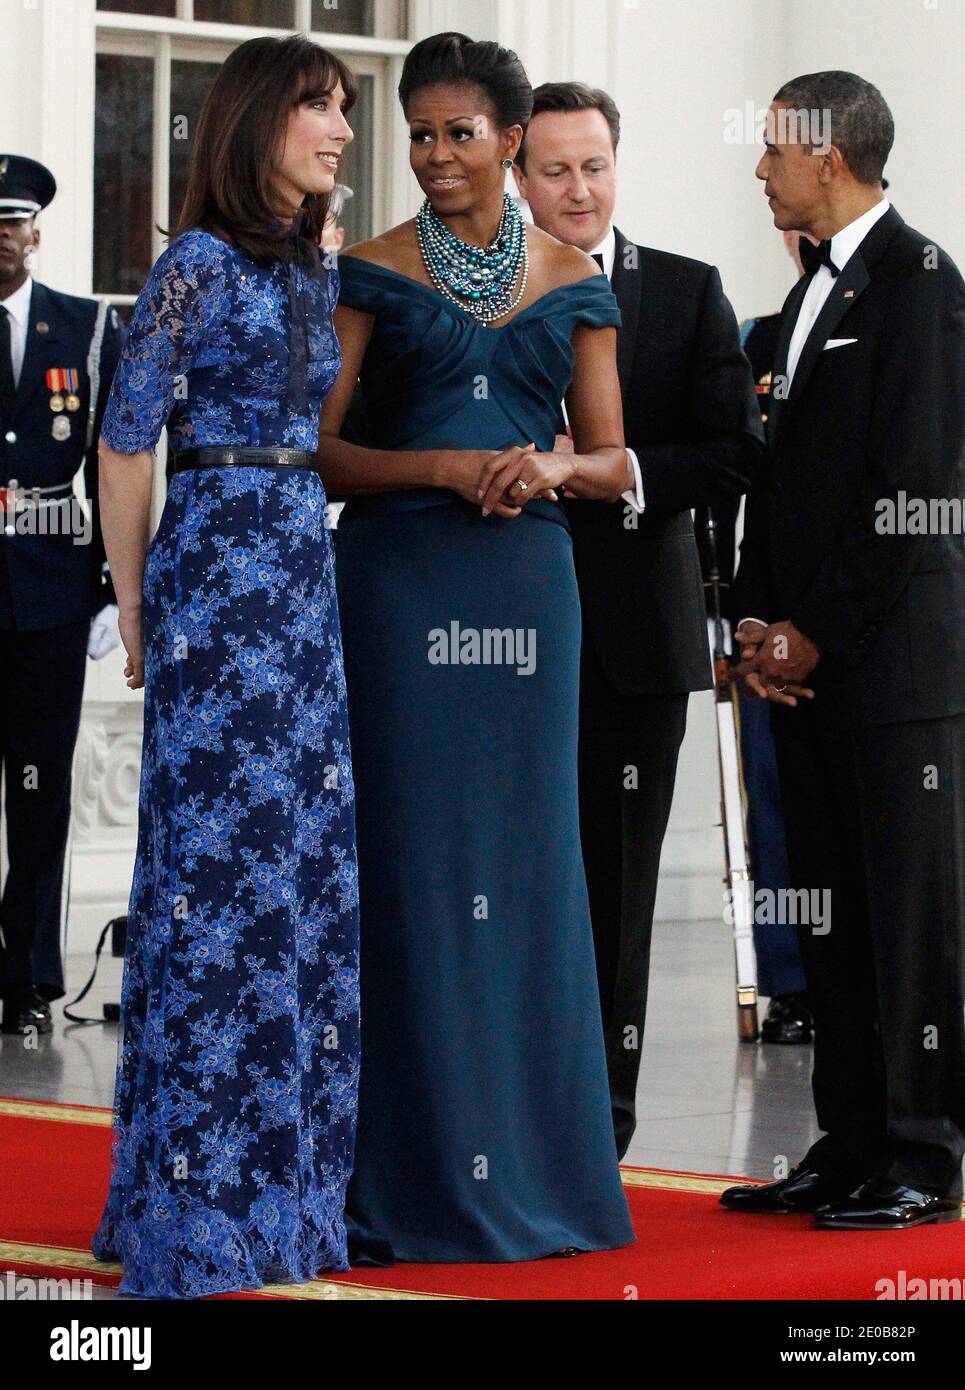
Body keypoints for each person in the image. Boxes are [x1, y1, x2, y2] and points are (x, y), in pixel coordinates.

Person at [317, 31, 634, 1263]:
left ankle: (540, 1168)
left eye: (460, 133)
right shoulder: (368, 269)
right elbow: (319, 451)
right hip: (396, 584)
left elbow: (609, 460)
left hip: (527, 587)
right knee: (411, 862)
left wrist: (550, 461)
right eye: (419, 133)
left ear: (511, 140)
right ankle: (405, 1170)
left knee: (525, 863)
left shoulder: (573, 277)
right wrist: (440, 465)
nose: (436, 155)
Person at [90, 35, 361, 1298]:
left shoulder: (318, 268)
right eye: (321, 106)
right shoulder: (192, 265)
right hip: (213, 580)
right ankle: (190, 1204)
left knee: (296, 874)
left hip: (302, 585)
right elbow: (126, 437)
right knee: (215, 868)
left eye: (346, 110)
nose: (341, 130)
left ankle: (290, 1192)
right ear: (259, 120)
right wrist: (136, 604)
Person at [722, 71, 965, 1229]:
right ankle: (848, 1136)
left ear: (826, 155)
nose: (758, 166)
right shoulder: (792, 299)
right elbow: (774, 486)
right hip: (805, 664)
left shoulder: (920, 282)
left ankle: (921, 1149)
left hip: (892, 667)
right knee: (826, 909)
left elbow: (907, 487)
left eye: (772, 149)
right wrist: (758, 625)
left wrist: (813, 630)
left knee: (905, 916)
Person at [513, 83, 763, 1155]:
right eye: (555, 169)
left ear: (618, 165)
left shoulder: (686, 290)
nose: (578, 188)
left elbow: (733, 451)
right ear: (519, 177)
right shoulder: (470, 293)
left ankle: (595, 1127)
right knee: (502, 879)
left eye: (594, 166)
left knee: (615, 893)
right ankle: (497, 1110)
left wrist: (610, 472)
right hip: (490, 640)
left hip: (636, 643)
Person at [0, 154, 123, 1035]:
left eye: (13, 222)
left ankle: (30, 976)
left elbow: (114, 465)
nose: (2, 237)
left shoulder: (84, 329)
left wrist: (117, 587)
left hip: (50, 592)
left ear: (35, 232)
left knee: (41, 792)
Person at [695, 228, 820, 1047]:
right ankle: (790, 983)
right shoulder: (761, 340)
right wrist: (732, 613)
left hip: (873, 622)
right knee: (772, 801)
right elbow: (738, 480)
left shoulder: (917, 314)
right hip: (769, 619)